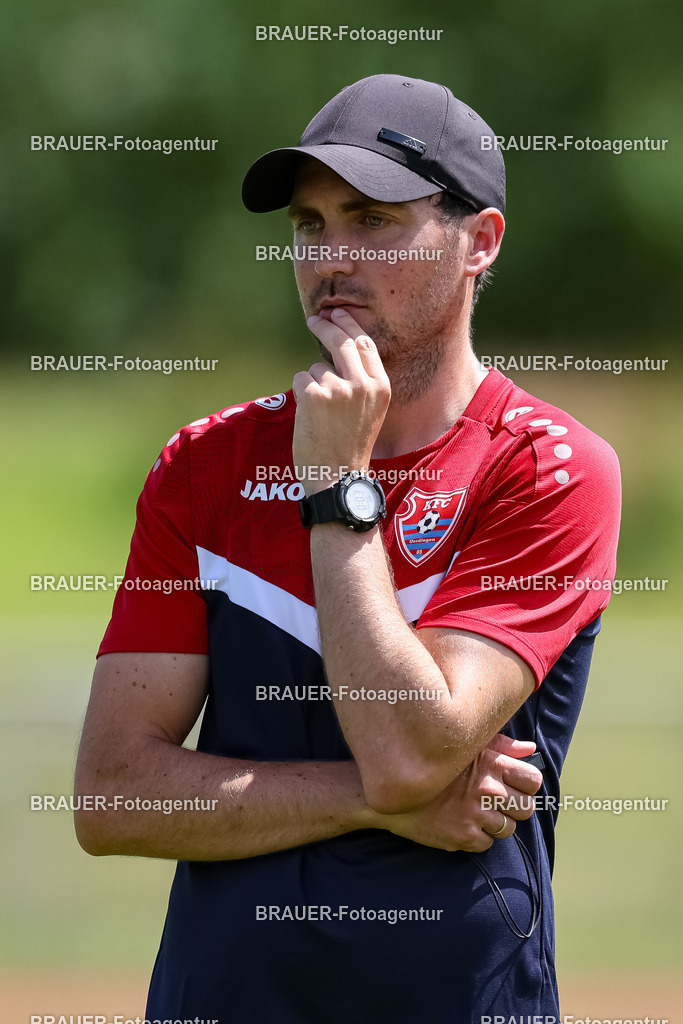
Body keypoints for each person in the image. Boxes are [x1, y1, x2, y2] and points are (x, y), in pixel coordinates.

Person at [74, 74, 621, 1022]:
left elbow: (410, 752)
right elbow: (114, 796)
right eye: (309, 224)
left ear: (478, 243)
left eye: (371, 220)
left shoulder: (548, 468)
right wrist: (372, 800)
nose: (331, 256)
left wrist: (335, 485)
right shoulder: (203, 466)